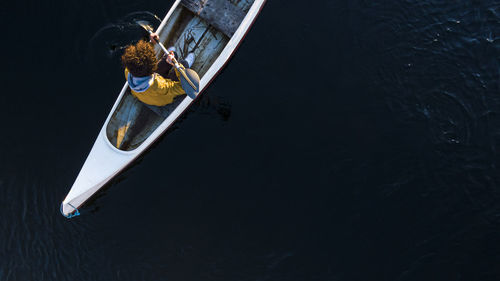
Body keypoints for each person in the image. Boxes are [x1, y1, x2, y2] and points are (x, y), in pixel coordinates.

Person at [121, 33, 195, 106]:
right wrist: (176, 65)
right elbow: (186, 87)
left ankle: (170, 57)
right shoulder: (159, 86)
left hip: (146, 94)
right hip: (162, 99)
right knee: (183, 63)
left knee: (172, 55)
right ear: (152, 69)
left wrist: (151, 43)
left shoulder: (128, 71)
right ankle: (185, 62)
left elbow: (140, 59)